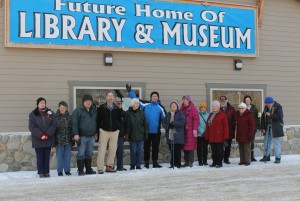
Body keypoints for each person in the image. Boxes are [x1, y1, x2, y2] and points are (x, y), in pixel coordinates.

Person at [126, 84, 166, 168]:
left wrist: (168, 128)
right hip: (146, 131)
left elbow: (164, 119)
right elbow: (136, 100)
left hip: (156, 132)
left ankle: (155, 162)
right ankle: (147, 162)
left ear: (158, 98)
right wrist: (130, 92)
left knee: (155, 148)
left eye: (156, 96)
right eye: (153, 96)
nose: (154, 97)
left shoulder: (160, 107)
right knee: (146, 147)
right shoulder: (145, 104)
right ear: (151, 97)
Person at [29, 97, 57, 178]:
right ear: (37, 104)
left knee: (46, 156)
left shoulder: (50, 113)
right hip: (38, 139)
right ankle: (41, 172)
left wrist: (47, 134)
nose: (43, 104)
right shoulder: (33, 114)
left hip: (48, 138)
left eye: (44, 102)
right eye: (41, 103)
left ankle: (46, 172)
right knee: (40, 157)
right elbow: (32, 127)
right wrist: (41, 135)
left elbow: (54, 124)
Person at [97, 91, 122, 174]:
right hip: (104, 131)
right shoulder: (101, 108)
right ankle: (100, 168)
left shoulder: (117, 108)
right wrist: (98, 130)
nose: (110, 97)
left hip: (114, 132)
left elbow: (120, 119)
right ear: (106, 97)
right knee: (102, 149)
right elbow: (98, 120)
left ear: (113, 98)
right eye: (109, 96)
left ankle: (109, 166)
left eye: (112, 96)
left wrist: (118, 128)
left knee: (112, 150)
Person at [72, 95, 97, 176]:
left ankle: (88, 169)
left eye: (90, 100)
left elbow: (96, 122)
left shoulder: (94, 110)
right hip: (82, 136)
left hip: (92, 136)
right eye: (86, 101)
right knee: (81, 154)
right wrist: (76, 134)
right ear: (83, 102)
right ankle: (80, 170)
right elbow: (74, 123)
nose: (88, 102)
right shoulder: (78, 110)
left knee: (89, 153)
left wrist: (96, 133)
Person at [125, 98, 148, 170]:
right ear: (132, 105)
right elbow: (127, 124)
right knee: (133, 151)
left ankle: (138, 165)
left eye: (137, 104)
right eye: (135, 104)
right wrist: (127, 134)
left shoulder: (142, 113)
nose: (137, 105)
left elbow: (145, 124)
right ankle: (132, 164)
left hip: (141, 135)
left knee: (140, 151)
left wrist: (146, 134)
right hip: (132, 135)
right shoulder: (128, 113)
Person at [260, 96, 284, 163]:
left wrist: (270, 115)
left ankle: (278, 157)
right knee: (267, 142)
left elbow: (279, 117)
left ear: (272, 102)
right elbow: (262, 118)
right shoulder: (266, 108)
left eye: (269, 104)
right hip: (267, 127)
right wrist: (263, 128)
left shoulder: (278, 107)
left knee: (276, 143)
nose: (267, 105)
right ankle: (266, 156)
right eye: (266, 104)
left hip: (275, 127)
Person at [205, 100, 229, 168]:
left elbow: (226, 126)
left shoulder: (222, 114)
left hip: (219, 136)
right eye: (213, 106)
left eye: (216, 106)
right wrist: (207, 136)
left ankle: (219, 163)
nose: (215, 107)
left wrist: (225, 136)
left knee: (219, 151)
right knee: (214, 151)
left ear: (218, 107)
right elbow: (207, 126)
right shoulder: (210, 114)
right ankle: (214, 162)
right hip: (212, 136)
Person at [162, 100, 186, 168]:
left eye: (174, 105)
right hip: (170, 134)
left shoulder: (180, 113)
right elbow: (164, 123)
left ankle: (178, 164)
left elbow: (182, 122)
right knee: (172, 150)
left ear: (177, 106)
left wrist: (173, 123)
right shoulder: (168, 114)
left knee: (177, 150)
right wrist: (168, 126)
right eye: (172, 105)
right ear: (170, 107)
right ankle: (172, 163)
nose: (173, 106)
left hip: (178, 135)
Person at [180, 95, 200, 167]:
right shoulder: (181, 108)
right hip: (183, 130)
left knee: (190, 147)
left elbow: (196, 120)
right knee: (185, 147)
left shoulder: (193, 108)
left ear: (189, 100)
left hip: (191, 131)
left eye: (185, 99)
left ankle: (191, 162)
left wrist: (195, 129)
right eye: (183, 99)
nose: (184, 101)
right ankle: (186, 161)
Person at [55, 101, 72, 176]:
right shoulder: (55, 117)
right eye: (61, 107)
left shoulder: (70, 117)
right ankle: (59, 171)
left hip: (68, 139)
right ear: (59, 108)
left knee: (67, 156)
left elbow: (72, 127)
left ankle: (67, 170)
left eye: (63, 107)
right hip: (59, 140)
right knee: (59, 156)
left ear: (66, 108)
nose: (62, 109)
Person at [219, 95, 235, 164]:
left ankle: (226, 158)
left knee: (228, 146)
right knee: (220, 146)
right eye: (221, 101)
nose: (223, 102)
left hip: (229, 131)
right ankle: (220, 158)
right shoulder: (217, 108)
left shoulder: (231, 109)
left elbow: (234, 119)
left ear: (226, 101)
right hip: (220, 131)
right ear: (220, 101)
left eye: (224, 100)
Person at [243, 95, 260, 162]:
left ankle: (252, 156)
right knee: (245, 143)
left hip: (252, 128)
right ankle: (245, 157)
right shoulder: (242, 108)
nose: (247, 101)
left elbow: (257, 118)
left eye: (249, 100)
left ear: (250, 101)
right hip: (244, 128)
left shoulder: (254, 108)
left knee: (251, 142)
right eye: (246, 100)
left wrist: (258, 126)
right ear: (244, 101)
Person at [115, 97, 127, 171]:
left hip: (120, 135)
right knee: (112, 152)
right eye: (117, 102)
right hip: (112, 134)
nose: (119, 103)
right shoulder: (112, 112)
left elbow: (126, 124)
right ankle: (111, 166)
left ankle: (120, 166)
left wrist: (126, 134)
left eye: (120, 102)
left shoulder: (124, 113)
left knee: (120, 152)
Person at [197, 102, 209, 166]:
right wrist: (202, 131)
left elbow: (209, 124)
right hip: (199, 134)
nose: (203, 109)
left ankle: (205, 161)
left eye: (204, 107)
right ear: (200, 108)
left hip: (206, 134)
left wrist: (206, 132)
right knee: (199, 149)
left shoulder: (208, 115)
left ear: (206, 108)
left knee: (205, 148)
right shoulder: (197, 115)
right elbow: (197, 124)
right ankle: (200, 161)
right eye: (202, 107)